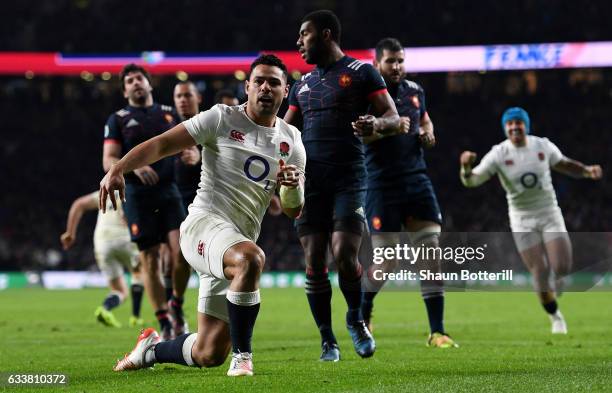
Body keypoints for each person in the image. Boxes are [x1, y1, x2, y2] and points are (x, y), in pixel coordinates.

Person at [105, 54, 306, 377]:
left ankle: (150, 351)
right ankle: (243, 358)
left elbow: (294, 209)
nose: (266, 88)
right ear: (248, 86)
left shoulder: (291, 141)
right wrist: (119, 167)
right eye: (259, 81)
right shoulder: (222, 118)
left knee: (208, 352)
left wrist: (292, 187)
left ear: (287, 91)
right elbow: (163, 144)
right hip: (202, 228)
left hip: (231, 248)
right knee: (252, 259)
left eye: (274, 83)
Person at [284, 10, 400, 361]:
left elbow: (394, 118)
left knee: (345, 255)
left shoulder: (363, 72)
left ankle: (355, 318)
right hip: (311, 181)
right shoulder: (300, 85)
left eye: (304, 34)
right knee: (313, 259)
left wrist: (375, 125)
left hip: (349, 177)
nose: (299, 42)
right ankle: (326, 339)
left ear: (326, 34)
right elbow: (281, 136)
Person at [460, 107, 602, 334]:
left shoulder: (541, 146)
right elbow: (473, 181)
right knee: (539, 270)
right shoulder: (499, 153)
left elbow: (564, 163)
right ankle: (555, 316)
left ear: (526, 125)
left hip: (548, 212)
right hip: (521, 218)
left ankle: (560, 279)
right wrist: (466, 168)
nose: (515, 127)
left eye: (519, 123)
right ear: (505, 128)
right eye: (510, 124)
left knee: (562, 267)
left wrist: (586, 171)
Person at [361, 38, 458, 348]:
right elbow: (359, 137)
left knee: (431, 255)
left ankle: (437, 332)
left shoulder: (415, 91)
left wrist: (428, 133)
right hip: (381, 183)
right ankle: (363, 314)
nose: (397, 66)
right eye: (390, 61)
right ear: (377, 64)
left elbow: (425, 121)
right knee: (387, 262)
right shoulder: (366, 95)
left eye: (400, 60)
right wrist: (389, 127)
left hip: (416, 180)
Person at [103, 63, 188, 340]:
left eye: (139, 78)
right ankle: (164, 321)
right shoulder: (118, 118)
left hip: (169, 189)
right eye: (129, 81)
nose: (135, 83)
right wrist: (132, 167)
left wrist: (192, 155)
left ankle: (176, 303)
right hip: (137, 195)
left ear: (149, 84)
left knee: (181, 252)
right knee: (149, 259)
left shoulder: (168, 113)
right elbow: (109, 159)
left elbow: (187, 144)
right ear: (125, 89)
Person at [60, 191, 144, 328]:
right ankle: (135, 317)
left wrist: (70, 233)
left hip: (102, 241)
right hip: (126, 238)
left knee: (119, 291)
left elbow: (78, 204)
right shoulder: (132, 189)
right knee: (138, 273)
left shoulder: (105, 191)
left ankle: (105, 309)